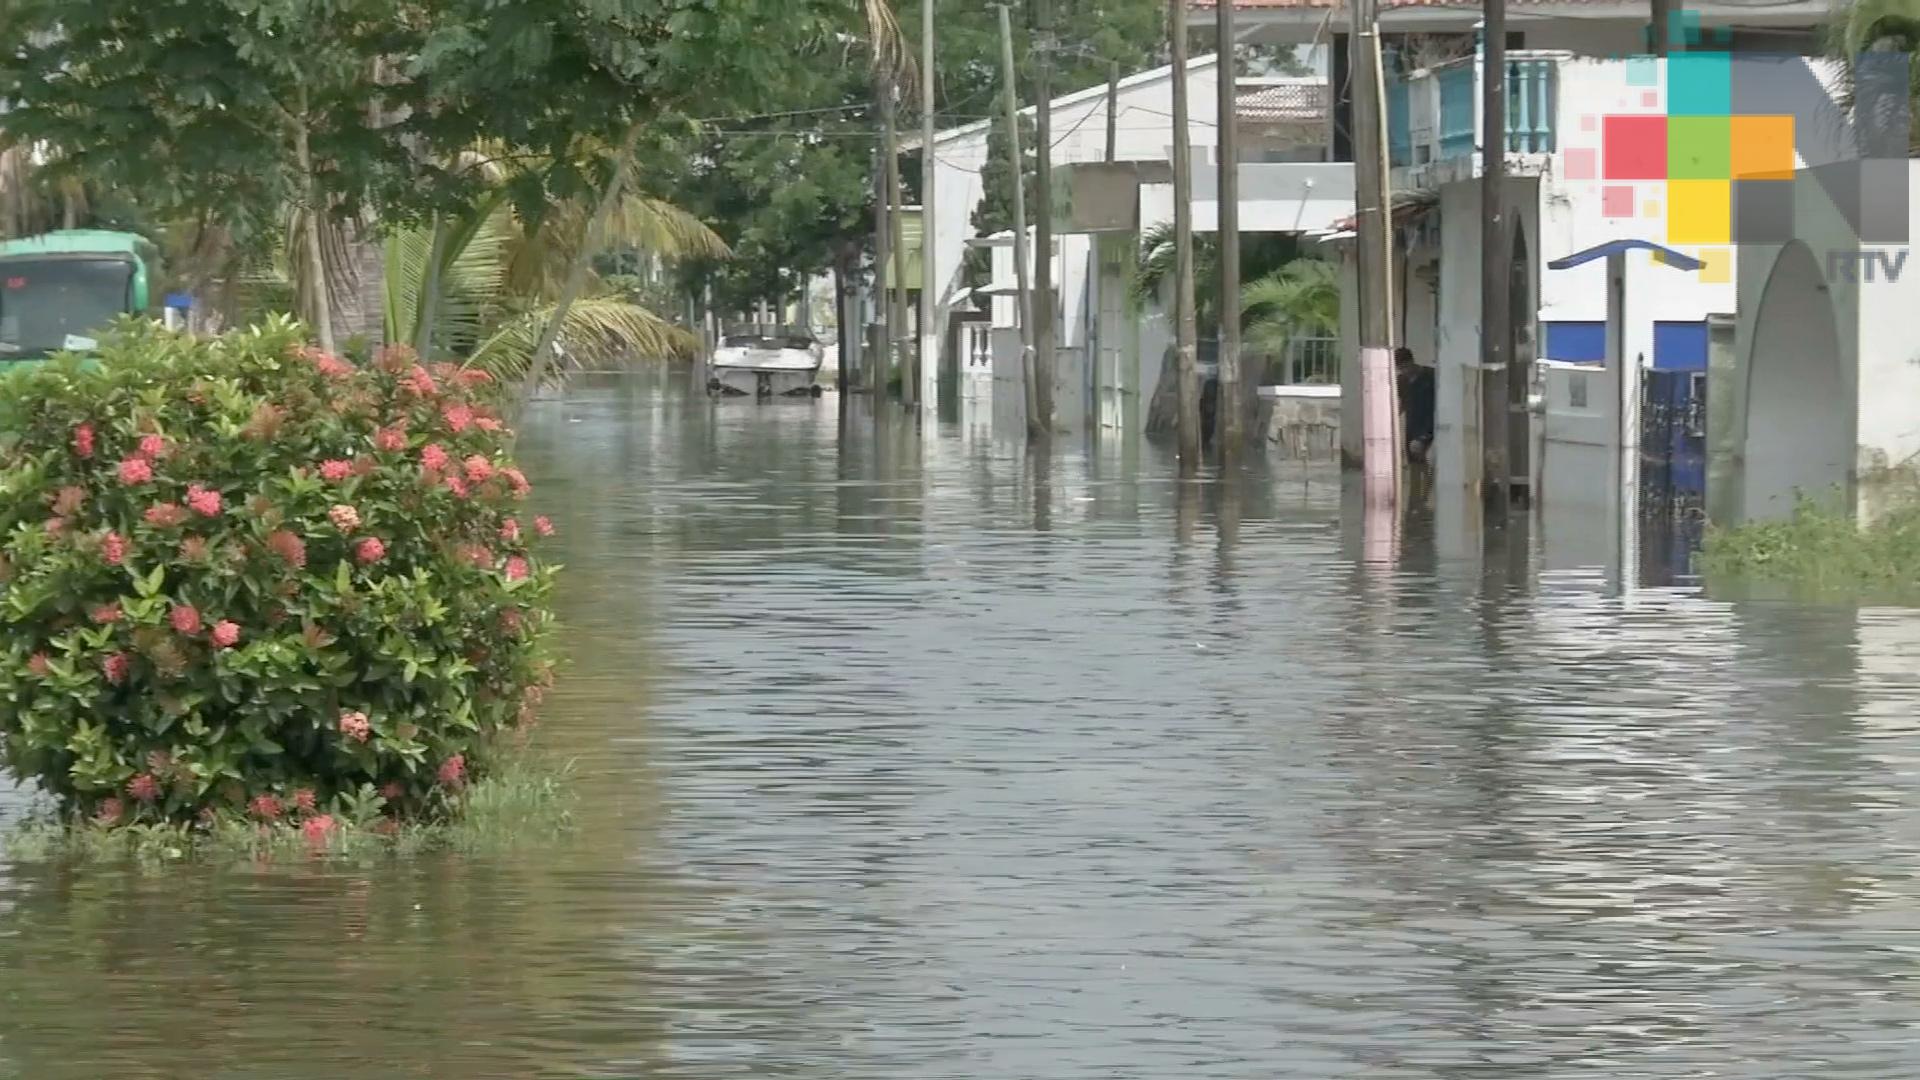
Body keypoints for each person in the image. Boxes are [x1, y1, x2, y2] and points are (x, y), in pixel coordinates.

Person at [1396, 347, 1436, 462]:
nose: (1404, 371)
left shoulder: (1431, 376)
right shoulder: (1402, 381)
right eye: (1400, 369)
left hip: (1430, 424)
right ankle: (1417, 474)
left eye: (1405, 367)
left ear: (1412, 361)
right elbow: (1403, 402)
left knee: (1428, 457)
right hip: (1412, 425)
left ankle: (1428, 474)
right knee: (1413, 458)